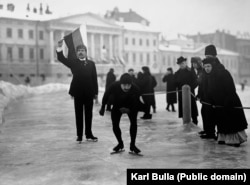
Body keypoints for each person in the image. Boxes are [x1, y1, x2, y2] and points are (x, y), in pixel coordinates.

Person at [56, 40, 98, 143]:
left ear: (86, 52)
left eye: (82, 50)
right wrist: (60, 47)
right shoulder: (73, 63)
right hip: (78, 92)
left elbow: (94, 78)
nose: (80, 52)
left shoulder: (91, 64)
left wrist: (96, 93)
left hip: (89, 93)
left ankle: (89, 134)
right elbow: (61, 58)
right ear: (77, 52)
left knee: (89, 115)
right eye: (79, 50)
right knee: (78, 114)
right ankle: (79, 135)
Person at [202, 57, 248, 146]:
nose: (207, 68)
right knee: (222, 122)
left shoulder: (223, 73)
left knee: (231, 122)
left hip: (229, 101)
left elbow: (231, 88)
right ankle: (222, 138)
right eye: (205, 66)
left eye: (208, 66)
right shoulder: (208, 76)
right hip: (218, 104)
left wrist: (227, 101)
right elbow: (209, 90)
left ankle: (235, 140)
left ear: (213, 66)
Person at [99, 73, 141, 154]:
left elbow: (138, 103)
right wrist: (103, 107)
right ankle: (120, 143)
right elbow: (106, 95)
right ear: (120, 84)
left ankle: (133, 145)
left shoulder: (135, 89)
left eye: (129, 85)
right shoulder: (114, 85)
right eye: (124, 85)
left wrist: (130, 109)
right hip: (117, 106)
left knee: (134, 124)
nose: (126, 87)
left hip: (131, 106)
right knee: (115, 125)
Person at [174, 56, 198, 124]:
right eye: (180, 64)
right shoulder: (177, 73)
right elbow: (174, 83)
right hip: (181, 94)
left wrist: (190, 88)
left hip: (190, 93)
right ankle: (185, 122)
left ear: (185, 63)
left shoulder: (191, 71)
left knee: (192, 108)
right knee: (183, 109)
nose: (182, 65)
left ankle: (195, 121)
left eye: (183, 63)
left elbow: (196, 81)